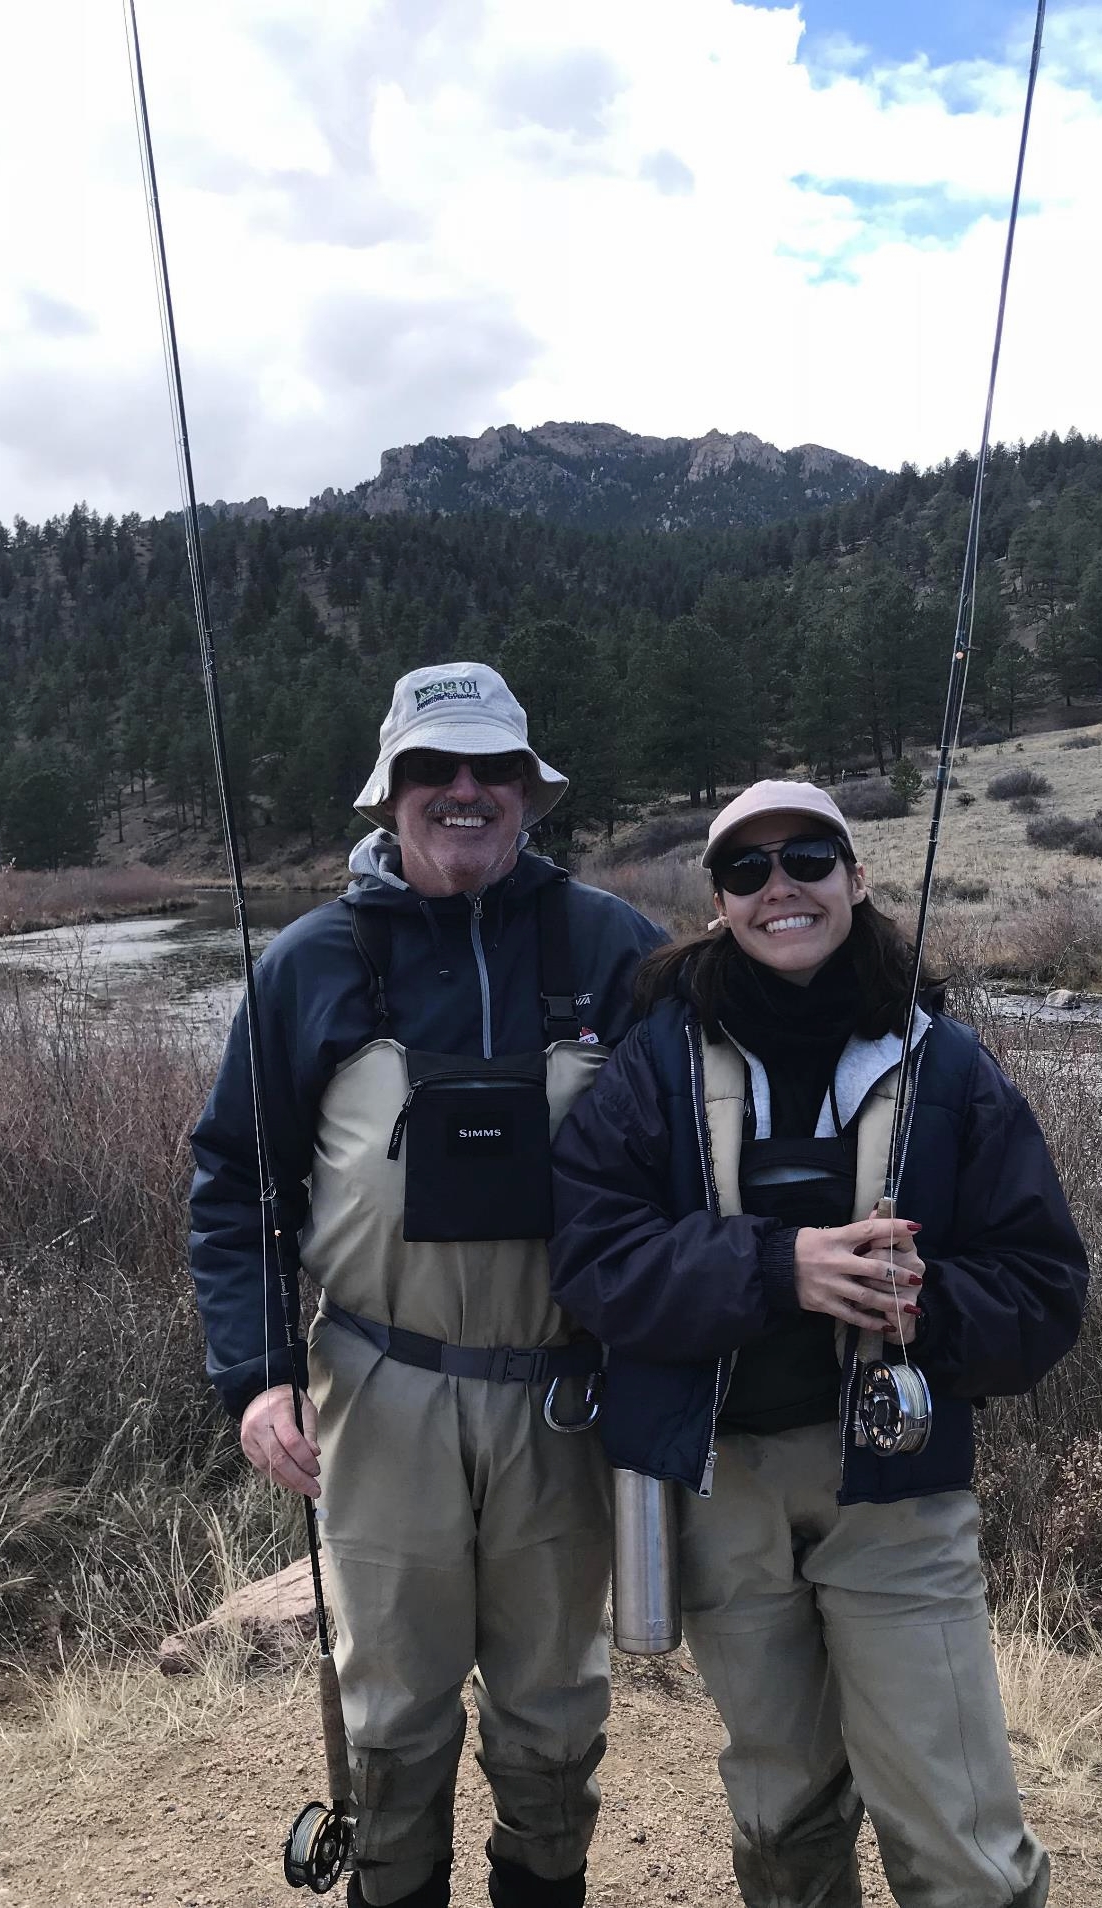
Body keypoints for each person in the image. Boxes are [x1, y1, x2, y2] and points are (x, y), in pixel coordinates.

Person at [549, 779, 1088, 1908]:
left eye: (806, 859)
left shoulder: (950, 1067)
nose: (778, 886)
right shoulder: (651, 1066)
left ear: (856, 881)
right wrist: (777, 1268)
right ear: (718, 903)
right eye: (747, 870)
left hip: (897, 1494)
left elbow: (1044, 1291)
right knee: (781, 1806)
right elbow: (593, 1266)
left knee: (957, 1829)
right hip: (719, 1491)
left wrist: (928, 1310)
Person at [189, 662, 665, 1908]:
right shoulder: (307, 965)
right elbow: (235, 1182)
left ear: (530, 794)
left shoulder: (616, 947)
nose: (465, 793)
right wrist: (254, 1378)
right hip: (376, 1387)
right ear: (389, 798)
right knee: (390, 1701)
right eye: (433, 772)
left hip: (569, 1394)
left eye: (492, 771)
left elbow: (711, 1133)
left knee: (555, 1704)